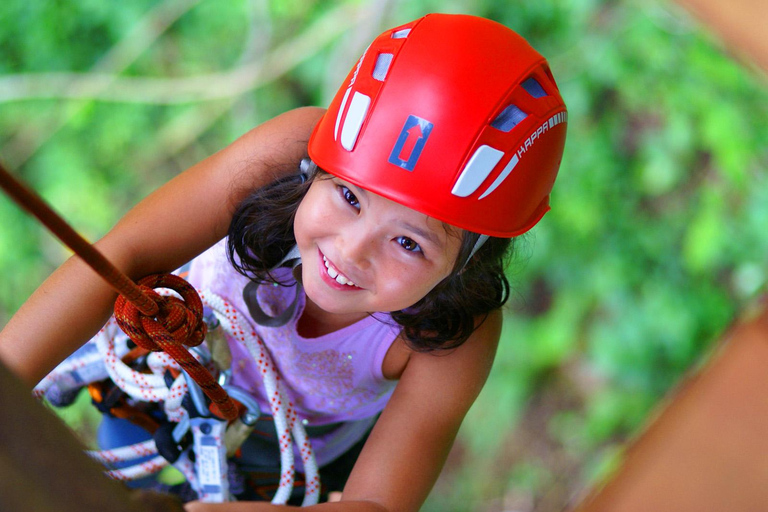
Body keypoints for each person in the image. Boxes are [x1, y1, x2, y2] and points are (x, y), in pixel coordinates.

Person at [0, 13, 567, 512]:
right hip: (169, 360)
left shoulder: (455, 334)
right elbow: (125, 254)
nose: (349, 251)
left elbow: (376, 503)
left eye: (410, 243)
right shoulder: (287, 154)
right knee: (119, 443)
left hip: (281, 458)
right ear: (318, 165)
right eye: (348, 197)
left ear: (470, 261)